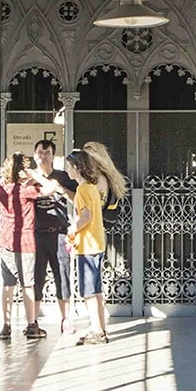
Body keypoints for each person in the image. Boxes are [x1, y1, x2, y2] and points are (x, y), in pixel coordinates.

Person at [66, 143, 128, 345]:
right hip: (98, 243)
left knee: (89, 292)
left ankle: (97, 331)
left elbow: (85, 216)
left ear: (77, 168)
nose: (67, 170)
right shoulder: (93, 188)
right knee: (97, 290)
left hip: (87, 245)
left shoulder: (83, 189)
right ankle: (99, 327)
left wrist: (72, 229)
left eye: (69, 167)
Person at [30, 139, 76, 334]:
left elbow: (76, 197)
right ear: (34, 155)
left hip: (59, 234)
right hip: (37, 235)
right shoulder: (29, 178)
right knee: (36, 278)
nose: (43, 156)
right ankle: (32, 321)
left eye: (47, 152)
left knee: (62, 276)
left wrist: (61, 190)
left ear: (53, 155)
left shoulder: (62, 176)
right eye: (40, 152)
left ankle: (65, 319)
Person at [0, 154, 38, 340]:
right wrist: (34, 175)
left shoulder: (1, 187)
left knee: (8, 284)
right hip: (26, 241)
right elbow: (50, 189)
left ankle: (6, 325)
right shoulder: (26, 190)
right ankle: (31, 324)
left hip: (6, 240)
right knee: (27, 284)